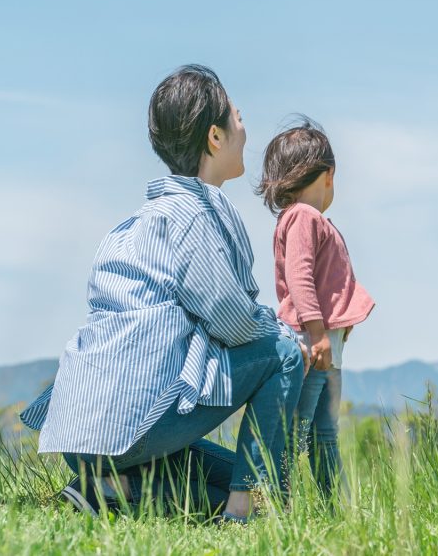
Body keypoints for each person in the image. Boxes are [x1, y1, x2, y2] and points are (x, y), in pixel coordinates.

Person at [19, 65, 307, 522]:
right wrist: (285, 328)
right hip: (132, 428)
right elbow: (234, 321)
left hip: (81, 434)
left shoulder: (132, 224)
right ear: (215, 137)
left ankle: (113, 488)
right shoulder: (193, 217)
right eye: (237, 114)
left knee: (233, 472)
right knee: (285, 352)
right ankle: (244, 511)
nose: (244, 125)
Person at [257, 117, 375, 504]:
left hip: (327, 343)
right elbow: (300, 277)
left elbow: (323, 280)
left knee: (321, 431)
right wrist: (320, 332)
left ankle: (332, 508)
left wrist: (337, 328)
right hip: (314, 343)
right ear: (328, 174)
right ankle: (282, 503)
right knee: (302, 428)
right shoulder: (305, 217)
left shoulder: (303, 219)